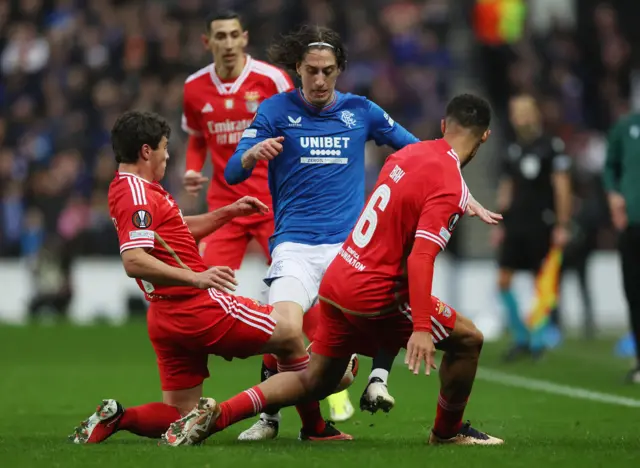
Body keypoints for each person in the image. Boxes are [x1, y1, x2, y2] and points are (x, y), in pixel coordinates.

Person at [162, 93, 504, 447]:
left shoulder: (407, 154)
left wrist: (460, 194)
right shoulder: (448, 182)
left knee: (315, 380)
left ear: (444, 125)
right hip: (373, 292)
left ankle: (218, 415)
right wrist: (420, 328)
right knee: (468, 339)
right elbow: (420, 257)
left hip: (340, 278)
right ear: (485, 136)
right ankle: (447, 432)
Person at [224, 25, 501, 438]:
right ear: (297, 67)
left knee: (338, 370)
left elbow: (418, 153)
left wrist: (459, 192)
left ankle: (347, 399)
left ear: (340, 70)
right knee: (285, 332)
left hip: (348, 252)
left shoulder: (361, 111)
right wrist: (251, 155)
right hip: (295, 247)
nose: (319, 80)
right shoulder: (274, 111)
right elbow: (231, 172)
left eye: (329, 71)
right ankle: (271, 418)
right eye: (312, 71)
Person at [68, 111, 351, 444]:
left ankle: (119, 417)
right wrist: (196, 279)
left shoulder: (128, 188)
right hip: (196, 308)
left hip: (165, 317)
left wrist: (227, 213)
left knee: (178, 413)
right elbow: (134, 260)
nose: (168, 155)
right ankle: (313, 428)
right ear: (146, 151)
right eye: (164, 148)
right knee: (290, 334)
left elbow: (175, 232)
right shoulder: (139, 196)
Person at [182, 10, 292, 271]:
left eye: (234, 35)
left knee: (292, 278)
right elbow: (197, 138)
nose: (229, 43)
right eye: (221, 36)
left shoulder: (272, 80)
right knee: (207, 283)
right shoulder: (194, 87)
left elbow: (298, 131)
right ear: (207, 42)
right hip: (225, 207)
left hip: (273, 202)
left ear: (244, 38)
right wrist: (192, 168)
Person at [491, 94, 572, 361]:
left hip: (542, 222)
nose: (518, 117)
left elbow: (561, 187)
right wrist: (498, 221)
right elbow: (507, 187)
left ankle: (538, 341)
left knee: (542, 282)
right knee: (503, 281)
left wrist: (562, 224)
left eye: (523, 111)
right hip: (515, 223)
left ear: (535, 114)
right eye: (515, 112)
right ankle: (521, 336)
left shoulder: (551, 146)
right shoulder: (511, 148)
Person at [603, 110, 640, 384]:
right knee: (635, 293)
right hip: (633, 224)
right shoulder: (626, 127)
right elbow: (609, 167)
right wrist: (614, 195)